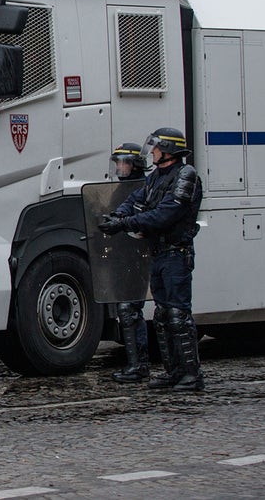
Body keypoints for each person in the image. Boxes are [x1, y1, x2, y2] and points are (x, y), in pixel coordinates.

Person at [99, 127, 204, 391]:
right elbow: (135, 199)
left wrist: (125, 223)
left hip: (176, 254)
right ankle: (172, 372)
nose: (153, 152)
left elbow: (165, 214)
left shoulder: (185, 175)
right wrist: (117, 215)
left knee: (179, 315)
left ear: (167, 149)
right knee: (162, 316)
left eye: (156, 147)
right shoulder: (156, 177)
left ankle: (191, 374)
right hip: (158, 253)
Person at [108, 143, 152, 383]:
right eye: (117, 163)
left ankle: (140, 364)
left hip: (138, 256)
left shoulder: (142, 188)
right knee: (125, 311)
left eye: (123, 162)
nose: (119, 167)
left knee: (130, 309)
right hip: (121, 256)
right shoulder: (120, 189)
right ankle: (135, 363)